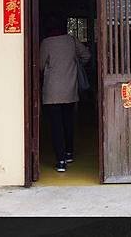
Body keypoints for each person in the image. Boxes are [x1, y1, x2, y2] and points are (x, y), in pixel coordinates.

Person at [40, 17, 90, 172]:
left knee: (56, 126)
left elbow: (40, 65)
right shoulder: (71, 40)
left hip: (52, 91)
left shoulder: (47, 43)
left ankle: (61, 161)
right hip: (70, 89)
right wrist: (74, 63)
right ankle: (69, 153)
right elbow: (87, 56)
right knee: (68, 122)